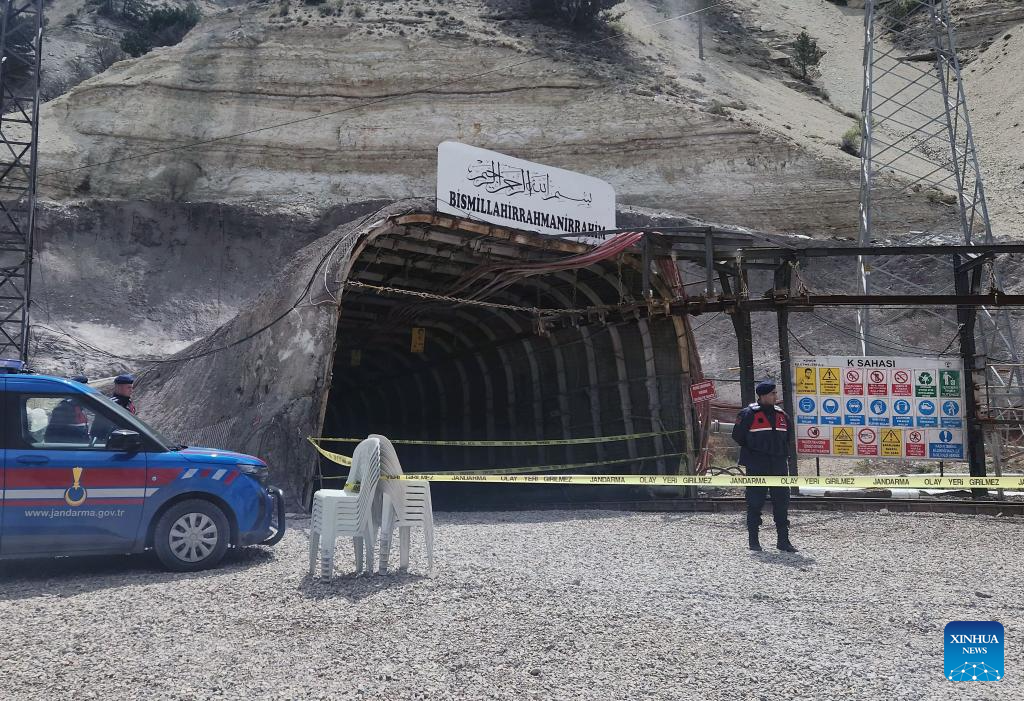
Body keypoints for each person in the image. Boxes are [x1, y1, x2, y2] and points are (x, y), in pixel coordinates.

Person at [732, 380, 798, 553]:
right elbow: (738, 436)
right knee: (754, 503)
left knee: (782, 503)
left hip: (778, 466)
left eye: (776, 393)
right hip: (757, 465)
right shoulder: (748, 414)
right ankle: (754, 542)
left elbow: (788, 438)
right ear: (762, 396)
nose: (776, 396)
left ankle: (783, 541)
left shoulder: (782, 415)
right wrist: (755, 450)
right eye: (772, 393)